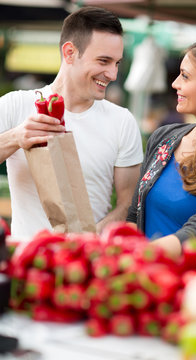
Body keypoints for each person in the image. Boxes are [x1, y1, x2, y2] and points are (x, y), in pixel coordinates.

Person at [0, 6, 143, 238]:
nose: (113, 74)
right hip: (25, 263)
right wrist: (16, 137)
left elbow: (128, 206)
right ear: (69, 53)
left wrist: (89, 237)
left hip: (85, 261)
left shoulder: (122, 121)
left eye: (116, 63)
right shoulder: (14, 105)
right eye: (104, 61)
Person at [127, 38, 196, 257]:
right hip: (139, 279)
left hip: (191, 286)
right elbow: (134, 215)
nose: (175, 83)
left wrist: (132, 256)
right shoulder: (163, 138)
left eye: (185, 76)